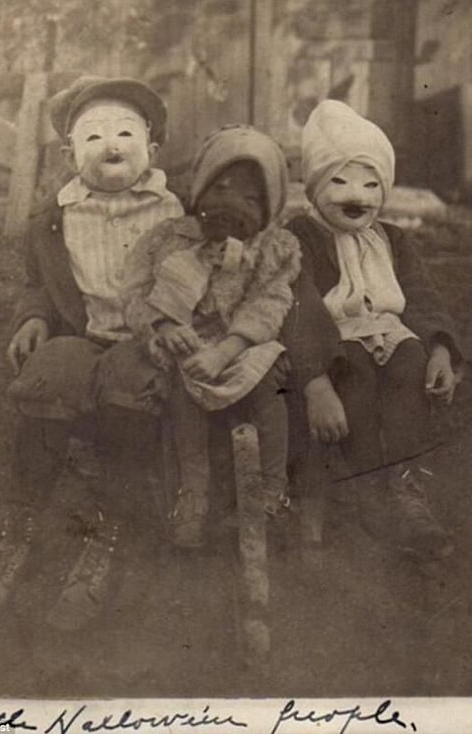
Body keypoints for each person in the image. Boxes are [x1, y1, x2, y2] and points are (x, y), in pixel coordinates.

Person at [0, 76, 184, 630]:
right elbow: (40, 282)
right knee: (45, 379)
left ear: (152, 150)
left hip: (145, 340)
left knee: (129, 396)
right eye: (93, 136)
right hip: (83, 335)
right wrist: (34, 318)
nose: (111, 144)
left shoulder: (175, 215)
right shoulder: (55, 218)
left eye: (125, 133)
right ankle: (21, 527)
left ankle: (105, 535)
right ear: (69, 154)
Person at [284, 100, 464, 563]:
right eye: (339, 182)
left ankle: (404, 488)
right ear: (314, 187)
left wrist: (440, 347)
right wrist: (313, 376)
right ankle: (367, 487)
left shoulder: (392, 240)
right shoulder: (300, 237)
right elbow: (297, 305)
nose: (355, 196)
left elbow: (420, 294)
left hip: (388, 330)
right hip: (334, 336)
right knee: (357, 373)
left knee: (411, 364)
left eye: (370, 184)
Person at [124, 125, 301, 548]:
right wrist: (164, 326)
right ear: (200, 186)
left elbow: (270, 303)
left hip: (243, 344)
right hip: (187, 342)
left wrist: (228, 349)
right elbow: (135, 291)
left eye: (251, 197)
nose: (231, 204)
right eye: (219, 187)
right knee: (184, 390)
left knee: (269, 389)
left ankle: (272, 493)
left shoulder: (275, 248)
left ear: (271, 203)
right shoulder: (168, 238)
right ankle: (194, 492)